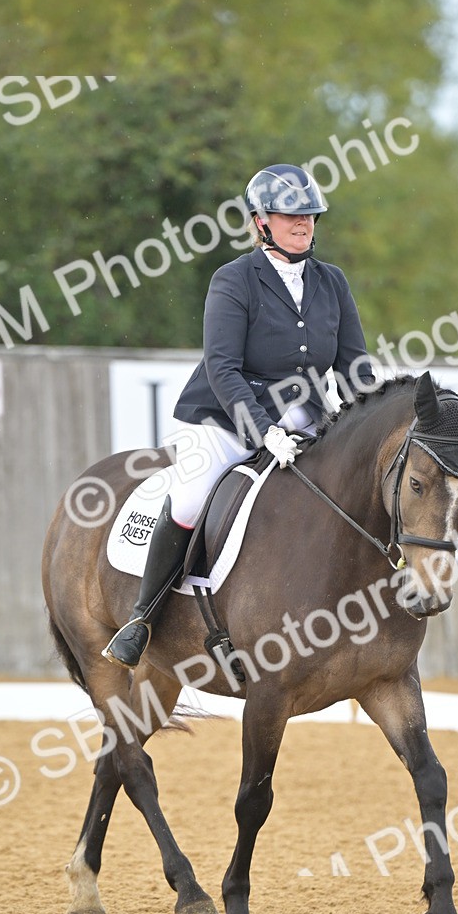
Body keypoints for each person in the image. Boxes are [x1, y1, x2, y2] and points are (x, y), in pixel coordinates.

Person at [103, 163, 373, 668]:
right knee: (189, 498)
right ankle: (143, 616)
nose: (304, 225)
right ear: (261, 222)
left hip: (307, 420)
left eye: (310, 216)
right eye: (291, 216)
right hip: (225, 420)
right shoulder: (234, 280)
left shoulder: (331, 282)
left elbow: (355, 368)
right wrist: (262, 431)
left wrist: (368, 425)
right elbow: (223, 368)